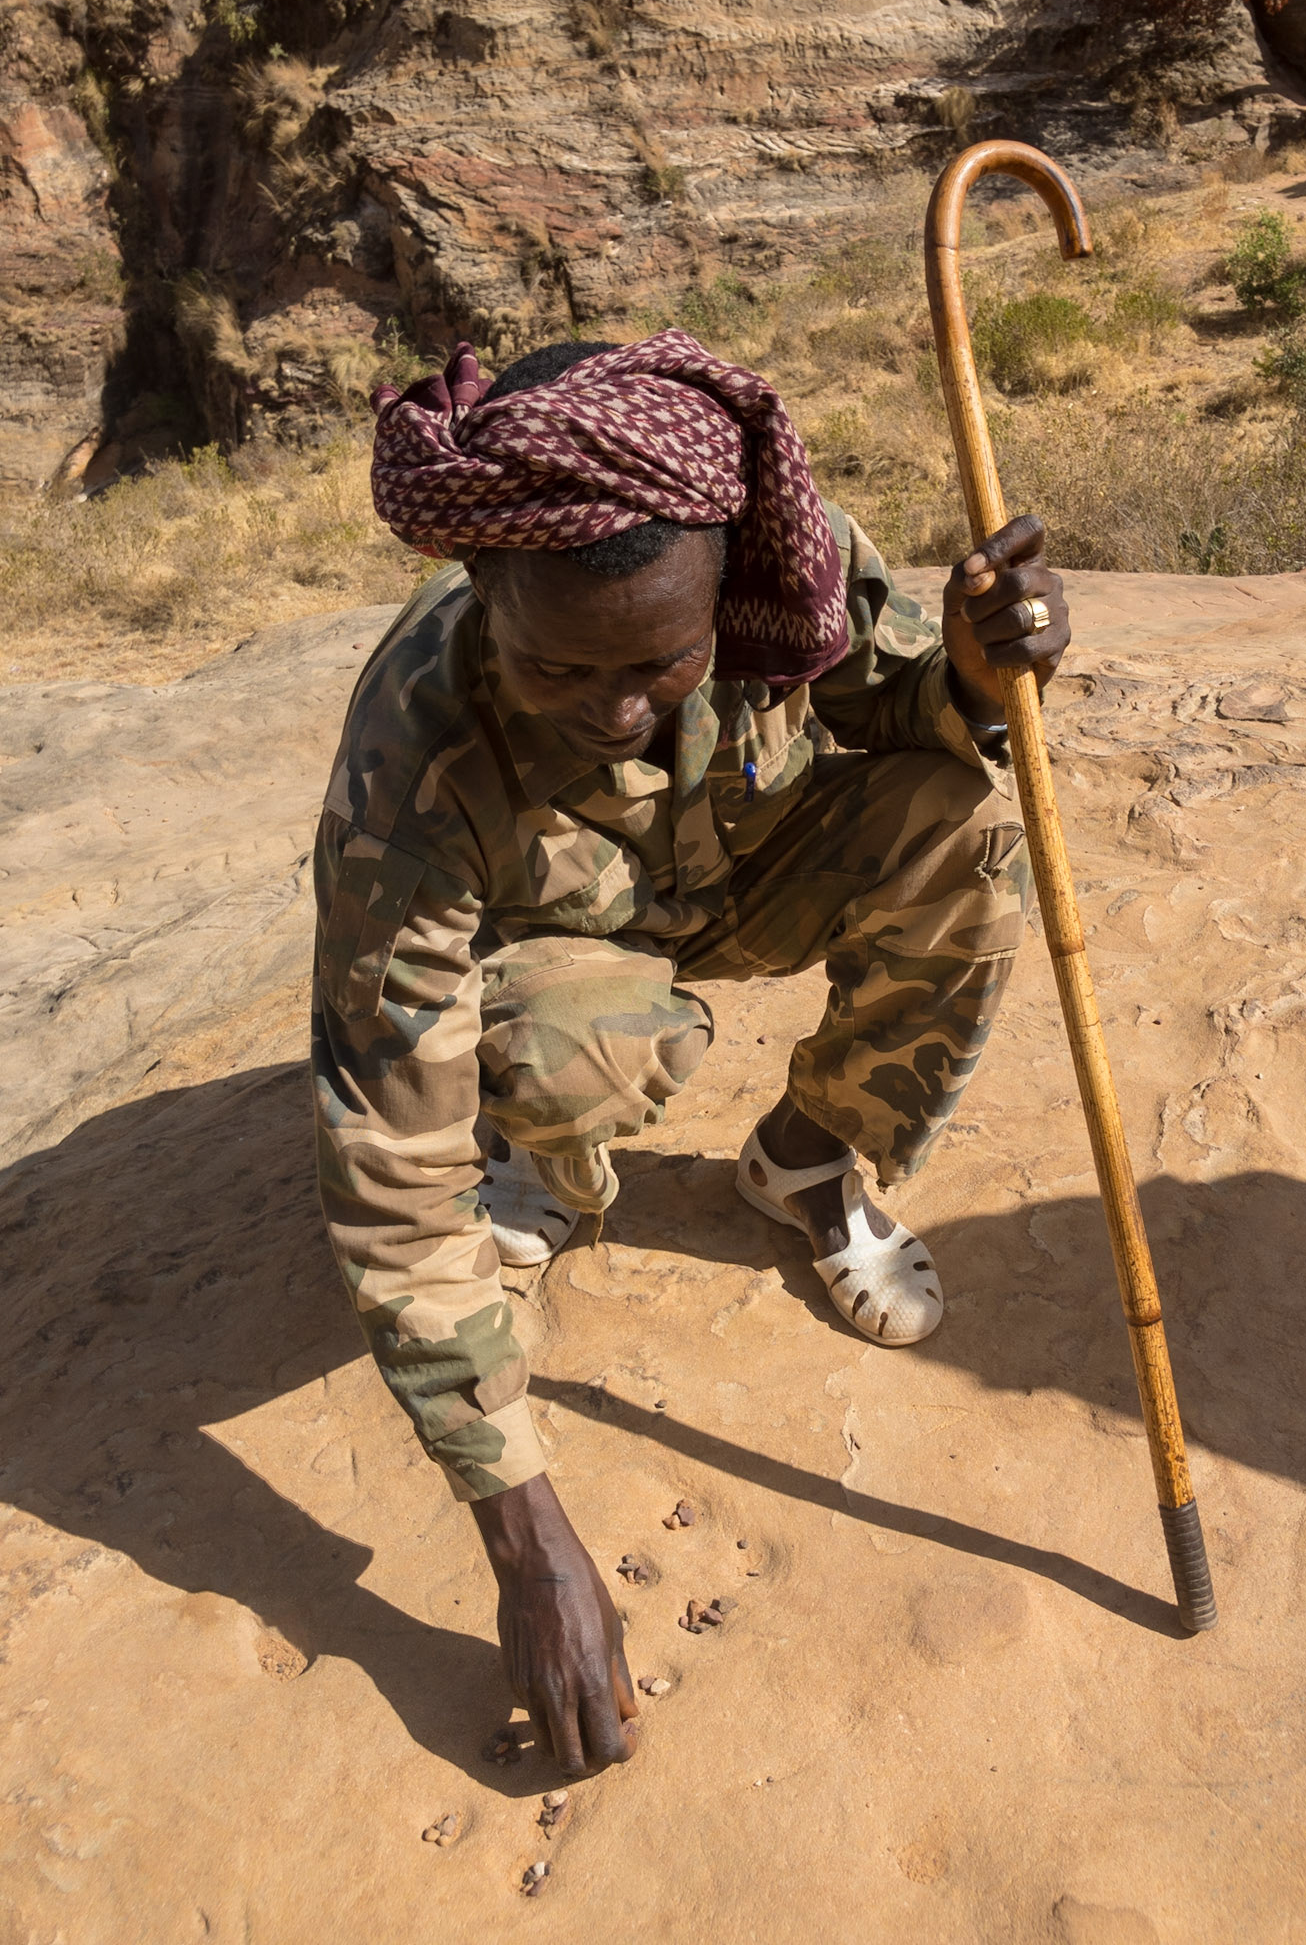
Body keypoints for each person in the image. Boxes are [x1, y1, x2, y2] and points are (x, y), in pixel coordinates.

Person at [310, 330, 1070, 1777]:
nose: (618, 712)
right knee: (573, 1041)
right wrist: (524, 1540)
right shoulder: (408, 760)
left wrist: (972, 671)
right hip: (564, 964)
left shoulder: (787, 557)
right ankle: (539, 1158)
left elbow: (902, 707)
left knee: (965, 829)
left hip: (733, 876)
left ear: (727, 582)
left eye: (663, 663)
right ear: (483, 591)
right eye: (562, 671)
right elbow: (388, 1178)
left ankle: (807, 1162)